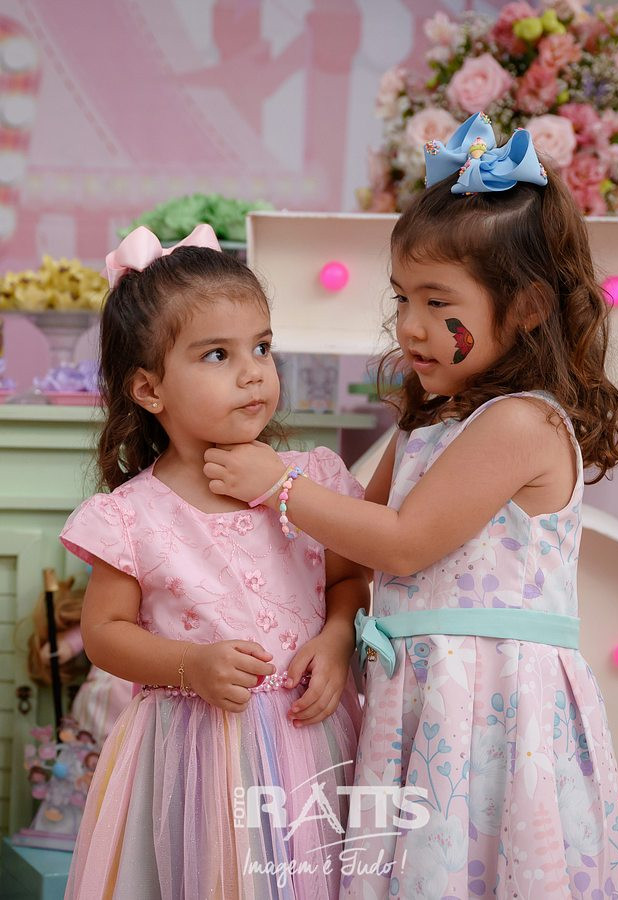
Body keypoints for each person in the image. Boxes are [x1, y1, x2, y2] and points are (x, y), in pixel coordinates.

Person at [203, 114, 618, 898]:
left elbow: (404, 542)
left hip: (492, 708)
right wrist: (336, 627)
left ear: (529, 307)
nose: (409, 325)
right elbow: (353, 542)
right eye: (402, 296)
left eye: (438, 302)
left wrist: (278, 485)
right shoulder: (430, 422)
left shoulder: (521, 422)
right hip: (423, 700)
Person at [59, 224, 367, 899]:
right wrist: (190, 666)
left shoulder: (307, 481)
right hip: (192, 758)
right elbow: (105, 634)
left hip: (310, 740)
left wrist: (338, 637)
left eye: (262, 347)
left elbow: (349, 579)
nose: (253, 371)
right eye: (218, 355)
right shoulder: (131, 516)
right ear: (149, 389)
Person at [27, 576, 132, 746]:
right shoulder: (114, 604)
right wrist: (67, 645)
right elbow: (94, 628)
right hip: (104, 691)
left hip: (143, 692)